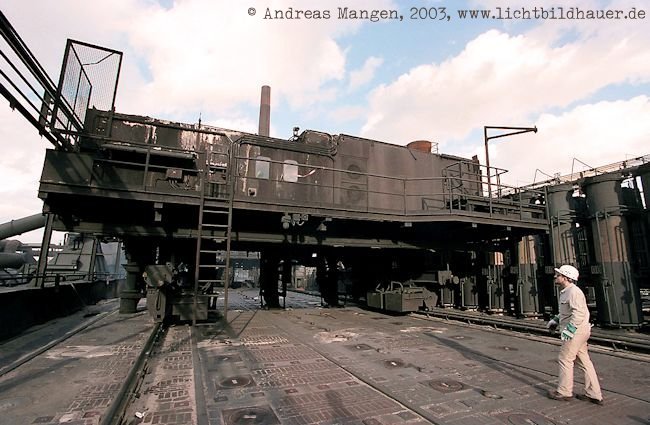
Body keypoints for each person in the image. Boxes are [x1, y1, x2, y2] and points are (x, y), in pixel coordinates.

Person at [546, 265, 603, 405]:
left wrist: (569, 331)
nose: (555, 276)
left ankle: (564, 392)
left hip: (576, 332)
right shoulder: (566, 291)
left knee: (565, 359)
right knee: (584, 362)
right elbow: (567, 312)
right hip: (579, 331)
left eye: (558, 275)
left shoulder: (574, 292)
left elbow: (578, 314)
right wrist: (555, 320)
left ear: (565, 277)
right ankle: (594, 394)